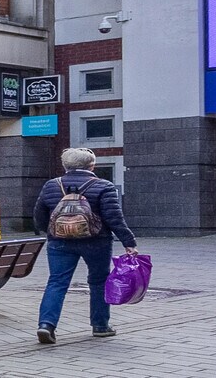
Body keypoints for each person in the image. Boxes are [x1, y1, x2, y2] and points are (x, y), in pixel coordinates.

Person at [33, 147, 138, 344]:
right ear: (92, 165)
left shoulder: (51, 185)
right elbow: (114, 218)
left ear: (65, 166)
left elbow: (39, 216)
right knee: (98, 282)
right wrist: (129, 242)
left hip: (59, 241)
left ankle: (46, 325)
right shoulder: (104, 186)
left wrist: (51, 232)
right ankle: (100, 326)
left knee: (57, 282)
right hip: (96, 242)